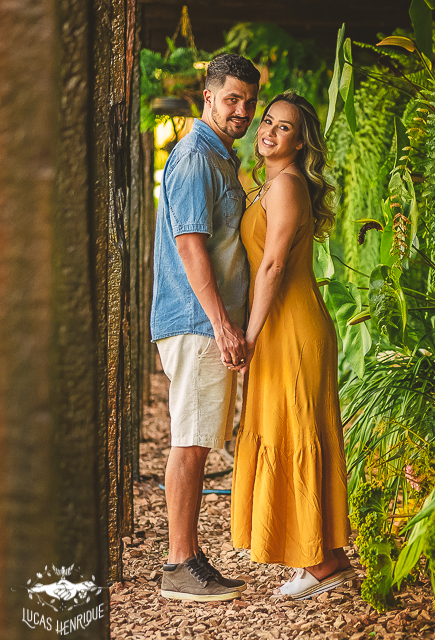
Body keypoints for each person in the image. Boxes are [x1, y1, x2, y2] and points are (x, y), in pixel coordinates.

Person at [230, 92, 353, 599]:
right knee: (291, 426)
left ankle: (321, 563)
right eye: (266, 122)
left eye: (283, 128)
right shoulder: (267, 185)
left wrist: (251, 336)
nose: (268, 132)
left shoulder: (286, 187)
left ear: (301, 142)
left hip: (290, 329)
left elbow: (274, 265)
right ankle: (323, 555)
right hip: (283, 324)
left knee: (298, 428)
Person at [150, 53, 260, 602]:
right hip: (197, 321)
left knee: (195, 440)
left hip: (202, 321)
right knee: (190, 443)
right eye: (232, 99)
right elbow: (190, 244)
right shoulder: (196, 156)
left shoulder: (218, 156)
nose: (241, 110)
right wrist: (221, 323)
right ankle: (177, 565)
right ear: (208, 96)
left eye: (248, 101)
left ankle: (189, 555)